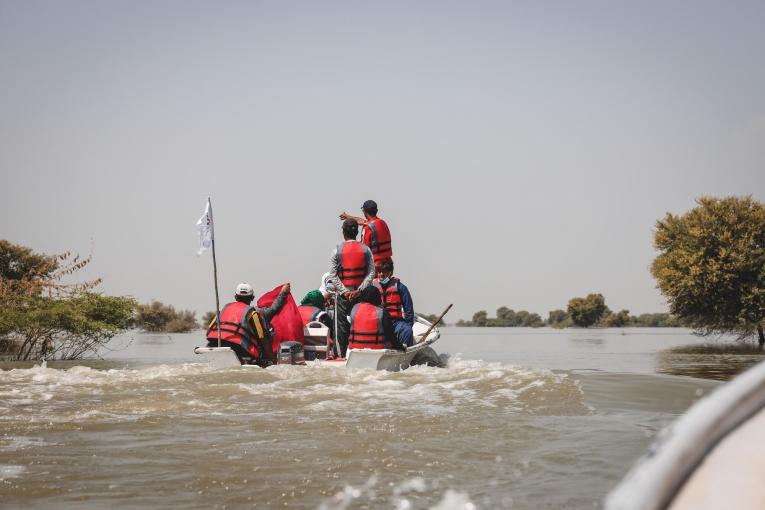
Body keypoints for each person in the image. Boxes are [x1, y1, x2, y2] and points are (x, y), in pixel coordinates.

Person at [206, 282, 291, 366]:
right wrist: (273, 359)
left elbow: (208, 331)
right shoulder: (252, 313)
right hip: (239, 349)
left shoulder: (222, 310)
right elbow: (263, 339)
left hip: (215, 345)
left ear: (235, 297)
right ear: (252, 298)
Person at [327, 219, 375, 357]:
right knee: (362, 322)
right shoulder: (366, 250)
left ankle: (342, 355)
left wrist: (345, 292)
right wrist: (359, 290)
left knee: (341, 327)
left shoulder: (337, 250)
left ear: (343, 232)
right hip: (362, 294)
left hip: (344, 296)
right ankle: (363, 354)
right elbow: (371, 272)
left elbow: (333, 275)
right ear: (357, 232)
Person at [372, 258, 415, 347]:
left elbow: (408, 309)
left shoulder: (401, 287)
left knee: (407, 330)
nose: (381, 274)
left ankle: (405, 347)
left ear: (390, 273)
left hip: (396, 322)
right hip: (378, 321)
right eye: (379, 272)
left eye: (384, 272)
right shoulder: (372, 287)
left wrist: (409, 325)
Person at [348, 286, 405, 351]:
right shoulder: (382, 313)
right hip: (378, 349)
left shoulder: (353, 309)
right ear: (376, 297)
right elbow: (390, 335)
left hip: (354, 348)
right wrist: (400, 347)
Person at [340, 199, 393, 267]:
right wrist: (348, 217)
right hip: (387, 265)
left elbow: (364, 249)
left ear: (364, 211)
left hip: (376, 266)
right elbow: (363, 221)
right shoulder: (382, 223)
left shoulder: (367, 228)